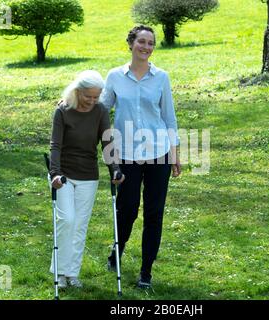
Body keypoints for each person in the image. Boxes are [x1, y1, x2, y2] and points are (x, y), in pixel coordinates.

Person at [100, 25, 181, 289]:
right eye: (141, 42)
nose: (146, 47)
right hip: (127, 155)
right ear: (131, 44)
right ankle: (117, 253)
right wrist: (73, 103)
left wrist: (175, 152)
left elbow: (168, 116)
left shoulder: (161, 77)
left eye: (150, 43)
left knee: (154, 213)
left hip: (159, 155)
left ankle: (146, 272)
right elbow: (100, 109)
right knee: (127, 211)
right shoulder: (114, 76)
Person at [49, 70, 124, 289]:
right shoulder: (63, 111)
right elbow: (55, 145)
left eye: (96, 96)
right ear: (77, 91)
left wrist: (115, 170)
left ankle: (72, 273)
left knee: (80, 225)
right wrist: (54, 174)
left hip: (88, 174)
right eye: (88, 96)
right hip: (63, 174)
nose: (92, 101)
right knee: (67, 220)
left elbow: (107, 142)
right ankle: (59, 273)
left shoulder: (100, 111)